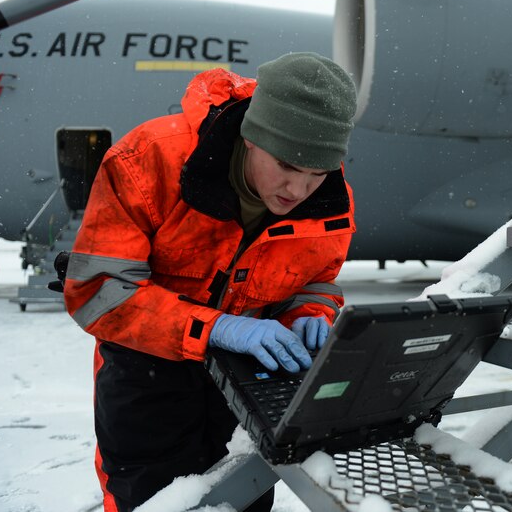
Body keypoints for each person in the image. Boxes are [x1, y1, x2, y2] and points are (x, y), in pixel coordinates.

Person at [62, 52, 357, 512]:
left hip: (249, 381)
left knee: (246, 497)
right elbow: (98, 292)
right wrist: (215, 327)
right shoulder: (149, 161)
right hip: (148, 373)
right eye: (287, 166)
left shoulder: (332, 202)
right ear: (252, 138)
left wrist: (310, 313)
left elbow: (319, 280)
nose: (298, 191)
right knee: (152, 500)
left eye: (316, 174)